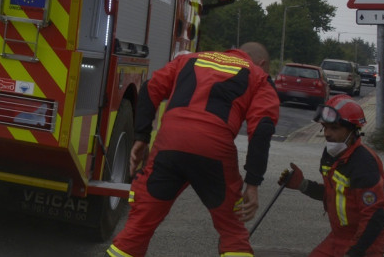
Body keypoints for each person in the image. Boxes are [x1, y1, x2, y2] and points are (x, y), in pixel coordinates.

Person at [107, 43, 279, 257]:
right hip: (215, 150)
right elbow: (262, 129)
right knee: (232, 230)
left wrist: (141, 137)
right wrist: (253, 184)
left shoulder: (188, 59)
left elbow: (150, 88)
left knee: (139, 226)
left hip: (170, 144)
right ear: (262, 63)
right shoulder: (258, 76)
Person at [279, 95, 384, 257]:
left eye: (334, 128)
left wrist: (354, 252)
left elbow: (375, 217)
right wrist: (302, 184)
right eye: (325, 127)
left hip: (364, 243)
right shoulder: (331, 155)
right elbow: (335, 194)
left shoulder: (364, 163)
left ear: (352, 130)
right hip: (338, 238)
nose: (327, 134)